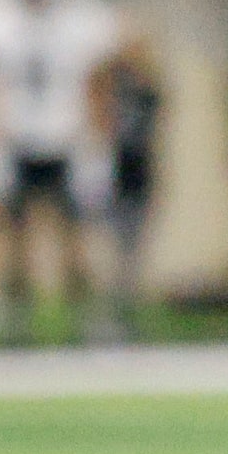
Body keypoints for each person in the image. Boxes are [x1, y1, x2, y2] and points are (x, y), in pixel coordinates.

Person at [0, 0, 119, 341]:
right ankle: (16, 328)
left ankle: (88, 324)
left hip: (65, 139)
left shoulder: (82, 18)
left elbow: (98, 85)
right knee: (11, 243)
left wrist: (98, 142)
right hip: (14, 141)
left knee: (78, 240)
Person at [92, 21, 163, 341]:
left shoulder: (148, 83)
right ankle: (108, 315)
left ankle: (127, 313)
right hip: (114, 171)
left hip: (139, 171)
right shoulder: (109, 80)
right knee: (112, 248)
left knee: (133, 251)